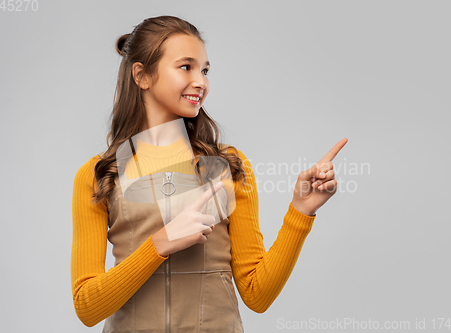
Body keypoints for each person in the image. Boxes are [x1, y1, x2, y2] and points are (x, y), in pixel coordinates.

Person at [71, 15, 348, 333]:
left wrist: (301, 211)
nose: (201, 81)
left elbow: (257, 295)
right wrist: (161, 243)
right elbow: (87, 308)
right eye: (185, 67)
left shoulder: (229, 165)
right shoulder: (99, 175)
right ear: (142, 75)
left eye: (204, 70)